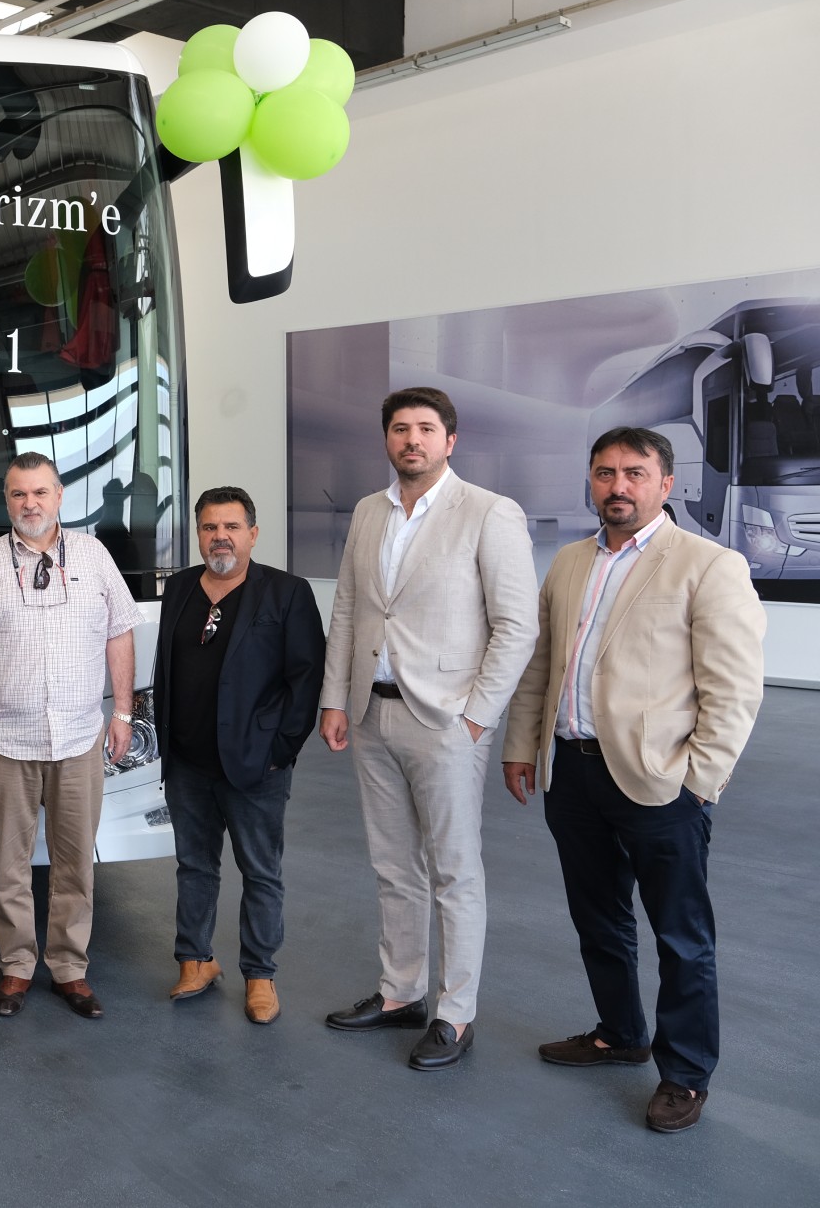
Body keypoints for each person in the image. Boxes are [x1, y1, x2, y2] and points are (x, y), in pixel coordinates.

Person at [502, 427, 764, 1134]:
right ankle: (619, 1033)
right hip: (572, 772)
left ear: (665, 483)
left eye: (635, 473)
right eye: (605, 472)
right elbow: (542, 664)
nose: (618, 486)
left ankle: (685, 1073)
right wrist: (522, 745)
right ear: (591, 480)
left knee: (681, 934)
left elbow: (734, 688)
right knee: (598, 916)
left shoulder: (709, 564)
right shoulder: (569, 562)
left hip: (661, 783)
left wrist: (699, 781)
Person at [318, 386, 538, 1070]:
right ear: (387, 438)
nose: (411, 440)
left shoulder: (489, 512)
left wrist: (477, 716)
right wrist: (334, 698)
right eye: (399, 429)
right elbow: (349, 609)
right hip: (372, 712)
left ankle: (455, 1012)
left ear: (450, 439)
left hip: (446, 719)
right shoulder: (368, 511)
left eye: (425, 428)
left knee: (453, 869)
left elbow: (517, 626)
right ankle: (401, 992)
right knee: (392, 863)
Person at [0, 452, 143, 1020]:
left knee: (75, 863)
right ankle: (16, 965)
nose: (29, 503)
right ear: (7, 501)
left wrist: (123, 712)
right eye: (18, 494)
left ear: (59, 495)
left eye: (39, 492)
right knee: (9, 865)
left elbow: (120, 634)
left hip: (79, 737)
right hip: (5, 739)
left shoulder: (94, 555)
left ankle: (70, 969)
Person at [151, 486, 325, 1025]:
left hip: (255, 763)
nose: (219, 537)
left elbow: (306, 679)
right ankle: (195, 960)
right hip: (187, 761)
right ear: (198, 534)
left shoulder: (287, 592)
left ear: (252, 533)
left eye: (231, 527)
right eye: (209, 527)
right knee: (194, 866)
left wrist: (281, 751)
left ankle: (260, 975)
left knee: (261, 872)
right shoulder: (180, 587)